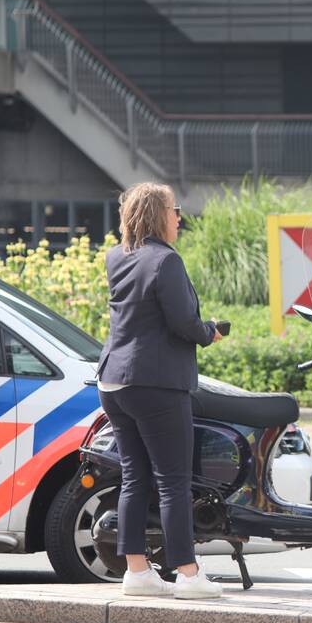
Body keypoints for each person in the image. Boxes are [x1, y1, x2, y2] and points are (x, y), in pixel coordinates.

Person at [96, 182, 224, 599]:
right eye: (174, 209)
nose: (179, 216)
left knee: (134, 475)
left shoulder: (119, 256)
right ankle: (188, 575)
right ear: (158, 214)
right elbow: (183, 323)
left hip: (113, 381)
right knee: (173, 482)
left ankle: (136, 571)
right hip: (155, 383)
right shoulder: (166, 261)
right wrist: (209, 333)